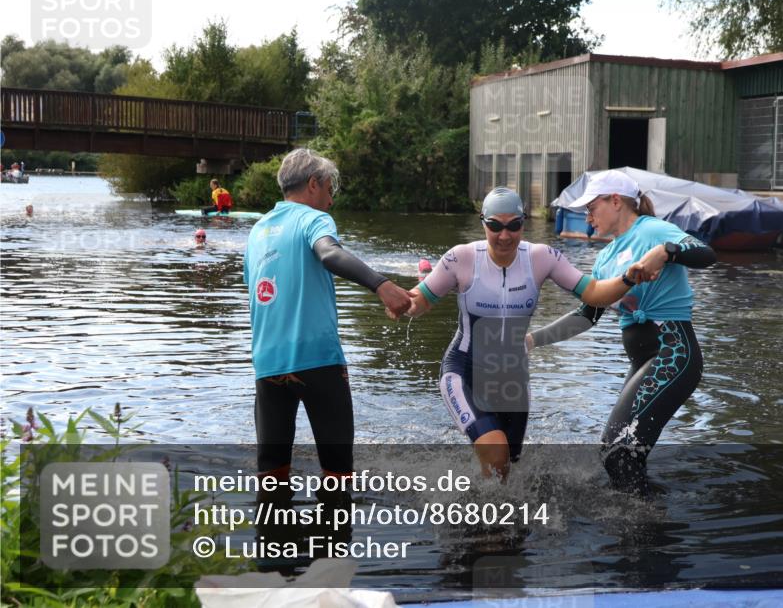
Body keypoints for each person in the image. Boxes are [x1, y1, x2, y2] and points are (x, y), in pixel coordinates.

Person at [405, 187, 667, 480]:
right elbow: (422, 299)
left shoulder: (542, 258)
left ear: (523, 222)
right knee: (496, 453)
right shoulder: (461, 258)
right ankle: (482, 522)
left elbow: (594, 294)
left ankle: (493, 518)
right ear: (484, 223)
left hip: (512, 377)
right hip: (464, 370)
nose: (505, 235)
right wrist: (402, 300)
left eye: (513, 225)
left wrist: (629, 277)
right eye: (495, 226)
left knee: (509, 470)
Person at [526, 169, 717, 495]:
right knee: (621, 455)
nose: (587, 216)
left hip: (672, 354)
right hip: (644, 360)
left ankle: (644, 525)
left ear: (616, 201)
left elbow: (705, 254)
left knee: (617, 450)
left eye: (591, 207)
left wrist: (665, 252)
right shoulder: (605, 259)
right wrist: (532, 340)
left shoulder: (653, 230)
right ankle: (650, 512)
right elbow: (587, 315)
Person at [244, 149, 411, 481]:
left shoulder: (256, 231)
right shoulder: (312, 218)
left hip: (267, 364)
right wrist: (381, 285)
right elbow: (329, 253)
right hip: (317, 360)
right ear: (312, 184)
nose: (331, 201)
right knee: (338, 475)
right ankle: (334, 530)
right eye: (329, 189)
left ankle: (273, 532)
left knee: (271, 473)